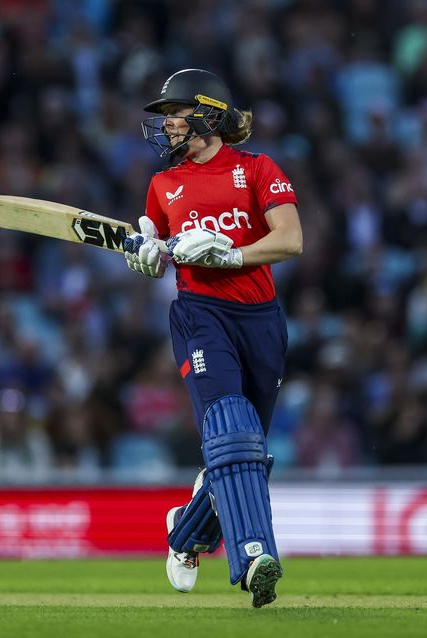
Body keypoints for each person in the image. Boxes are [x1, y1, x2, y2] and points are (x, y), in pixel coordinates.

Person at [124, 69, 303, 607]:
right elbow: (158, 256)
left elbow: (291, 241)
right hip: (200, 313)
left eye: (176, 113)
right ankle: (253, 560)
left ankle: (186, 532)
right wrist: (147, 255)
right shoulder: (162, 185)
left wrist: (232, 254)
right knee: (233, 430)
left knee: (246, 450)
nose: (168, 125)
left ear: (208, 113)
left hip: (261, 318)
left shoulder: (257, 168)